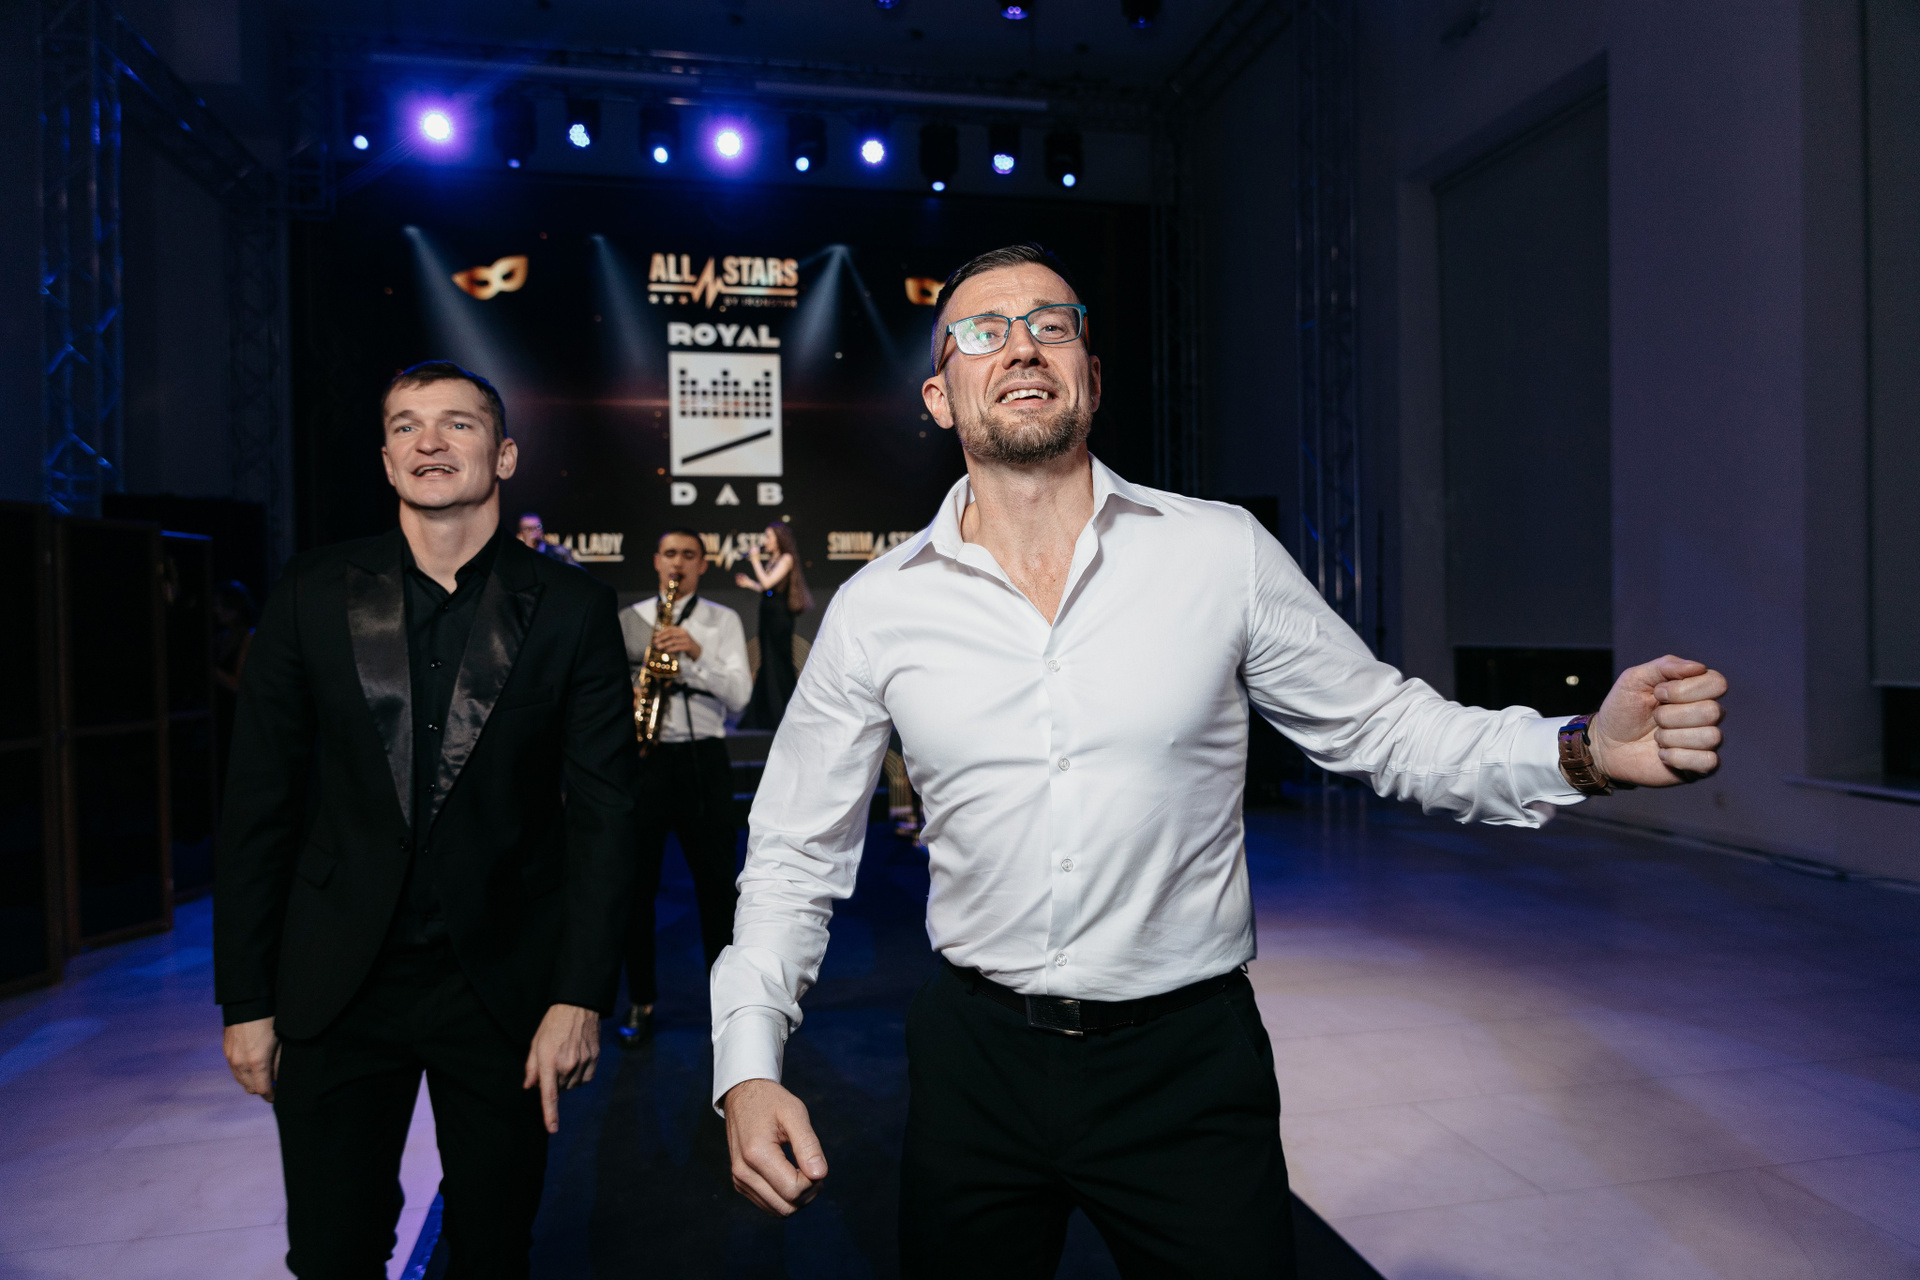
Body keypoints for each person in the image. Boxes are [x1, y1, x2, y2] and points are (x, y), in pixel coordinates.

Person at [709, 244, 1729, 1278]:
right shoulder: (878, 609)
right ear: (940, 397)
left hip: (1186, 1069)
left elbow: (1386, 727)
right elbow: (794, 850)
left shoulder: (1219, 552)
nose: (1020, 345)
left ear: (1091, 377)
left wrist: (1585, 752)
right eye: (983, 331)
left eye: (1052, 324)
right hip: (975, 1067)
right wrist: (748, 1062)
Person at [215, 360, 639, 1280]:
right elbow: (257, 806)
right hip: (335, 984)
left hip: (502, 988)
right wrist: (245, 999)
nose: (430, 442)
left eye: (457, 423)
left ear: (505, 454)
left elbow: (607, 817)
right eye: (406, 425)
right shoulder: (312, 590)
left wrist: (579, 995)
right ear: (386, 458)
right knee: (331, 1252)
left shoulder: (571, 610)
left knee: (493, 1248)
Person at [615, 529, 753, 1045]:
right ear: (656, 561)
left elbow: (740, 697)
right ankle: (640, 999)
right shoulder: (629, 620)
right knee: (636, 889)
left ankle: (728, 1007)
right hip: (645, 761)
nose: (678, 563)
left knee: (717, 888)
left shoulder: (722, 620)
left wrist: (695, 653)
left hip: (703, 760)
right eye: (670, 554)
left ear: (702, 565)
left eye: (688, 555)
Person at [734, 522, 813, 730]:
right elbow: (767, 588)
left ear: (779, 539)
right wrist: (750, 584)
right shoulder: (773, 560)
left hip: (779, 616)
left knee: (779, 660)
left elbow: (769, 583)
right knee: (767, 661)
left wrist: (754, 561)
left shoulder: (786, 559)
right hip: (767, 613)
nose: (765, 541)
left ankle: (784, 711)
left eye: (768, 536)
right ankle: (766, 713)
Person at [515, 511, 580, 565]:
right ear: (521, 533)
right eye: (527, 528)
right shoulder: (517, 555)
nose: (533, 531)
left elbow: (578, 572)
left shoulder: (558, 552)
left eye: (538, 527)